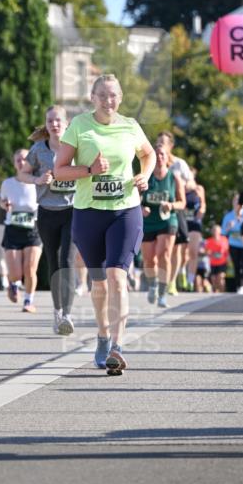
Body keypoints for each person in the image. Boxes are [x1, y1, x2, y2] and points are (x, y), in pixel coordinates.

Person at [54, 74, 155, 374]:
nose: (108, 101)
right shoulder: (79, 126)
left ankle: (117, 347)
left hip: (125, 210)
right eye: (102, 95)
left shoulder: (130, 126)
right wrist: (89, 169)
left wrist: (145, 175)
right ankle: (102, 334)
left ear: (120, 97)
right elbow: (59, 171)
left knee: (117, 276)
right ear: (92, 97)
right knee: (99, 281)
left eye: (113, 95)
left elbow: (147, 154)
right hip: (88, 213)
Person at [20, 105, 76, 335]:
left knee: (67, 260)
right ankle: (57, 310)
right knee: (53, 262)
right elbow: (22, 174)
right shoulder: (37, 149)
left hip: (72, 209)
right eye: (50, 121)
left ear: (66, 123)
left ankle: (67, 315)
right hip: (46, 211)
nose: (54, 124)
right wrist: (39, 179)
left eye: (58, 121)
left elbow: (87, 170)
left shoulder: (75, 147)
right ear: (47, 124)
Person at [141, 144, 186, 307]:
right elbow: (133, 198)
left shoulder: (174, 178)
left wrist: (172, 205)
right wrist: (140, 208)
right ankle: (152, 285)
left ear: (168, 159)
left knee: (163, 255)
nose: (159, 158)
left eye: (162, 155)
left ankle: (162, 293)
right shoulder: (145, 176)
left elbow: (182, 203)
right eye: (157, 154)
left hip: (167, 220)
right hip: (148, 221)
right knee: (148, 260)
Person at [0, 148, 42, 314]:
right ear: (14, 163)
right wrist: (5, 205)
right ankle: (13, 283)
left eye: (25, 159)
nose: (21, 162)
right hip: (13, 229)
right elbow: (2, 202)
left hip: (33, 229)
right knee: (16, 273)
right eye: (18, 159)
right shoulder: (7, 183)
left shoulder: (37, 182)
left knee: (30, 268)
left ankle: (28, 301)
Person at [155, 132, 194, 293]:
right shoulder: (153, 160)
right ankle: (160, 280)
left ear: (171, 145)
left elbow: (192, 183)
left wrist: (180, 187)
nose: (161, 145)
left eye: (164, 143)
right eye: (158, 143)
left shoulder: (179, 164)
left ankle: (171, 282)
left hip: (176, 208)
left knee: (177, 247)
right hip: (156, 209)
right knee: (160, 249)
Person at [185, 168, 206, 290]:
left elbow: (203, 204)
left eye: (191, 175)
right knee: (182, 254)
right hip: (183, 222)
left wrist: (202, 210)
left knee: (193, 252)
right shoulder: (181, 187)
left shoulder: (199, 188)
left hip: (195, 223)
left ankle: (190, 280)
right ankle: (180, 275)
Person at [221, 192, 243, 294]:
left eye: (238, 200)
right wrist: (228, 227)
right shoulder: (228, 216)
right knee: (236, 266)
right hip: (233, 245)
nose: (236, 203)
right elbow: (222, 232)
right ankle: (239, 286)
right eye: (234, 201)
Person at [204, 224, 229, 293]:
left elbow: (227, 251)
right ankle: (216, 293)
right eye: (214, 230)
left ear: (220, 231)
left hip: (222, 263)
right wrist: (211, 254)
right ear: (212, 232)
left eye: (217, 230)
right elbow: (206, 252)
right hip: (213, 263)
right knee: (214, 280)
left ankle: (223, 293)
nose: (215, 232)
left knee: (221, 278)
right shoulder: (209, 241)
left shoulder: (224, 239)